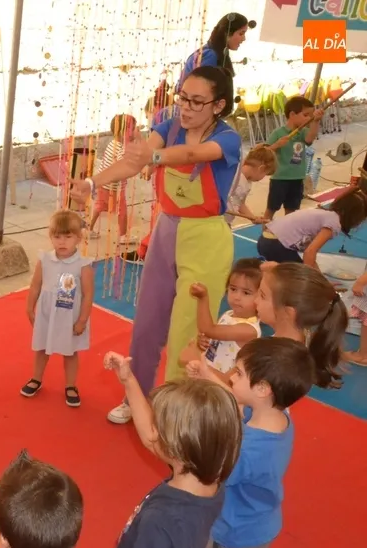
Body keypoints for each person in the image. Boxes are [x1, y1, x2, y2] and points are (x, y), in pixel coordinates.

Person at [71, 65, 242, 424]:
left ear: (218, 105)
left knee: (186, 330)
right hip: (166, 230)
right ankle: (136, 395)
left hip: (206, 238)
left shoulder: (228, 139)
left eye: (197, 101)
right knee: (147, 321)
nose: (186, 107)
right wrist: (91, 183)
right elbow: (135, 161)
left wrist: (153, 157)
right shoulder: (169, 127)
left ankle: (175, 413)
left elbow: (192, 156)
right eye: (183, 98)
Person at [96, 359, 242, 548]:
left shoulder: (161, 519)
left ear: (178, 448)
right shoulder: (210, 483)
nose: (153, 434)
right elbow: (151, 439)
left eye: (160, 429)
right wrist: (129, 380)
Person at [185, 338, 315, 548]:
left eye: (239, 373)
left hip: (233, 535)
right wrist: (207, 374)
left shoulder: (247, 451)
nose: (232, 376)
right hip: (255, 523)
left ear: (263, 389)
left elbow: (210, 476)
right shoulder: (276, 417)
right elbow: (238, 401)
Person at [21, 210, 95, 406]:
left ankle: (70, 385)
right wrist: (29, 307)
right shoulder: (45, 260)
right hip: (46, 315)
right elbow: (35, 285)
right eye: (57, 237)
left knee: (70, 352)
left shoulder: (83, 265)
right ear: (50, 237)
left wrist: (82, 321)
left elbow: (88, 295)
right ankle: (36, 378)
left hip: (70, 317)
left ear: (78, 238)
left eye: (68, 237)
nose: (62, 242)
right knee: (41, 348)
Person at [255, 262, 348, 388]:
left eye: (262, 296)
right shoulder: (302, 333)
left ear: (288, 312)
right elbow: (296, 288)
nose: (255, 300)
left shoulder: (276, 359)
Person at [179, 258, 262, 378]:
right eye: (233, 289)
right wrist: (204, 342)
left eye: (246, 293)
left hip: (221, 382)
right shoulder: (229, 314)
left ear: (260, 297)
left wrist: (202, 298)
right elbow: (213, 337)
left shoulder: (249, 330)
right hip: (208, 374)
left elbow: (208, 329)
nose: (237, 297)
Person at [257, 186, 367, 267]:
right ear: (354, 216)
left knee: (300, 268)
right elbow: (310, 252)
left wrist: (321, 279)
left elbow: (310, 258)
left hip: (264, 240)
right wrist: (315, 281)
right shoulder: (334, 223)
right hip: (276, 245)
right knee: (301, 276)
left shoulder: (325, 214)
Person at [263, 96, 323, 221]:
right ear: (292, 114)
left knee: (292, 211)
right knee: (271, 210)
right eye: (306, 115)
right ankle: (265, 232)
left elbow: (310, 138)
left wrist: (316, 121)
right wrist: (277, 144)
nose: (309, 118)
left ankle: (288, 231)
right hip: (280, 178)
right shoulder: (278, 133)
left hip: (297, 178)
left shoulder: (303, 132)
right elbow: (264, 153)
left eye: (311, 115)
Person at [88, 115, 137, 243]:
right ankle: (123, 236)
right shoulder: (122, 148)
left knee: (99, 206)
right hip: (115, 188)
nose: (135, 131)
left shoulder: (113, 143)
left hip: (104, 184)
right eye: (133, 128)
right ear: (123, 132)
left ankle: (89, 228)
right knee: (122, 211)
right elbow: (123, 165)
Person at [225, 145, 278, 224]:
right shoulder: (234, 177)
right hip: (217, 221)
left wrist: (252, 217)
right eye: (265, 174)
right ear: (261, 168)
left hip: (227, 222)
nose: (263, 178)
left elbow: (240, 203)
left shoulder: (248, 182)